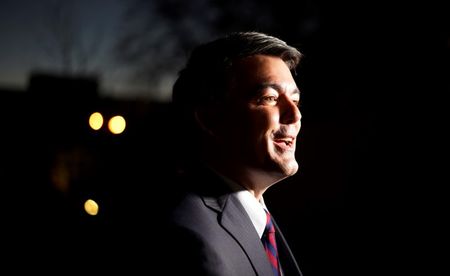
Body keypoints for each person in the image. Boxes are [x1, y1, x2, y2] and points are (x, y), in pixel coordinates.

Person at [160, 31, 304, 276]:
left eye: (295, 100)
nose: (295, 115)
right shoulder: (186, 238)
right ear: (209, 118)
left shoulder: (257, 220)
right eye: (269, 98)